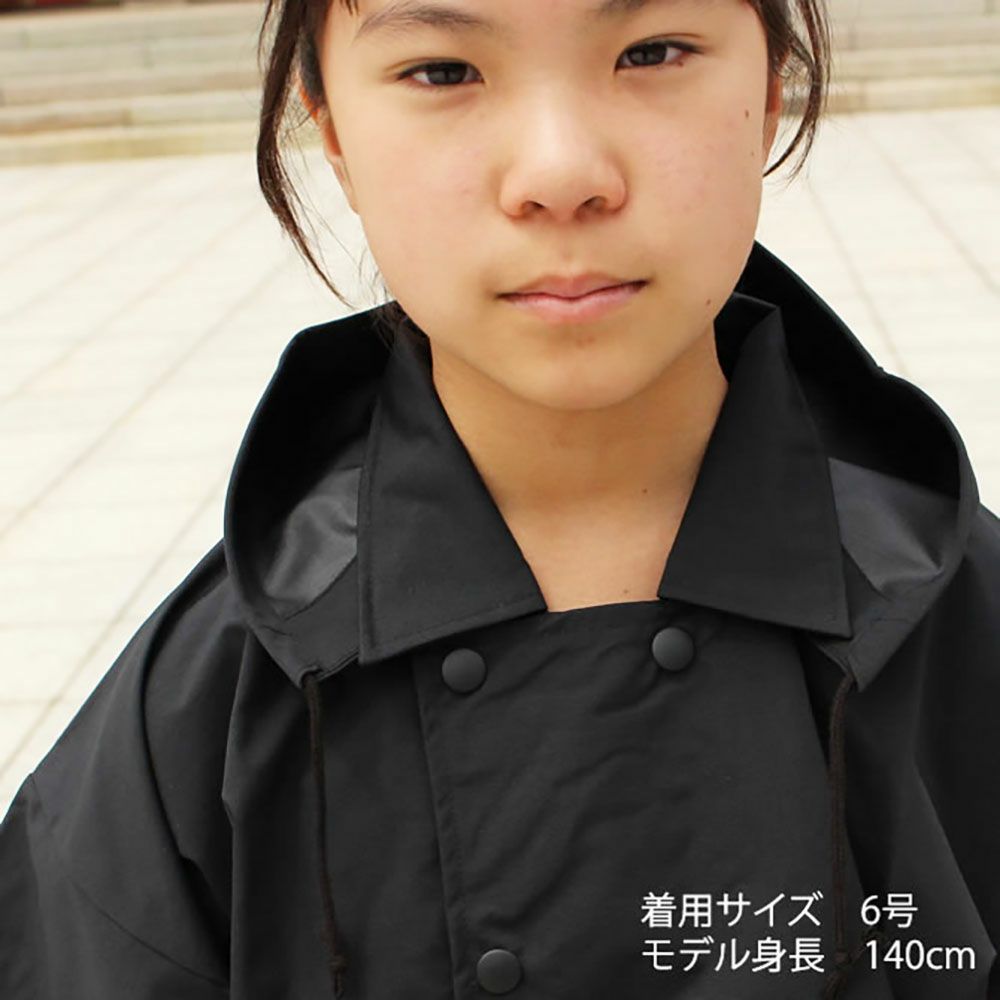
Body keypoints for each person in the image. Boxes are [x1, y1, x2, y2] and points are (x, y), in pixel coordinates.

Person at [1, 0, 998, 997]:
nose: (560, 174)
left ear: (770, 87)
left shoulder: (968, 626)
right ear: (332, 128)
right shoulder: (196, 723)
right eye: (443, 72)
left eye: (652, 52)